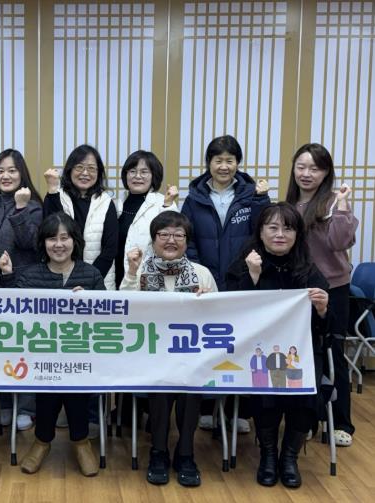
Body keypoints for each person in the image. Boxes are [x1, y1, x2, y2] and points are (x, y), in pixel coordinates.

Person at [226, 202, 330, 488]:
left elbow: (327, 328)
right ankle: (268, 455)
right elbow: (231, 314)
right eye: (272, 227)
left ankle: (290, 457)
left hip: (301, 353)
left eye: (288, 228)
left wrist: (322, 310)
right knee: (266, 386)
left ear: (297, 234)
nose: (280, 234)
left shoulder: (309, 269)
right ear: (260, 232)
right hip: (258, 351)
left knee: (305, 390)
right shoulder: (245, 264)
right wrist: (253, 277)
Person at [0, 212, 104, 477]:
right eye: (51, 239)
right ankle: (42, 441)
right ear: (43, 243)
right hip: (40, 355)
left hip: (81, 355)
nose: (58, 245)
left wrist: (90, 303)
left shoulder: (90, 274)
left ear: (74, 241)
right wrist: (7, 276)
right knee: (48, 384)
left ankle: (80, 442)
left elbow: (107, 317)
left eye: (64, 238)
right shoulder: (31, 275)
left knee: (76, 385)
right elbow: (11, 311)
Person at [120, 211, 217, 487]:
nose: (171, 240)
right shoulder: (139, 270)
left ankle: (185, 453)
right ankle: (159, 451)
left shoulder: (201, 273)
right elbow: (123, 310)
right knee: (162, 383)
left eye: (178, 235)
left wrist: (209, 302)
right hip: (149, 355)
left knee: (190, 384)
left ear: (187, 241)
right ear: (153, 240)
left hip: (192, 356)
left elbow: (220, 318)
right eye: (163, 234)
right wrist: (131, 273)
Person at [181, 134, 270, 431]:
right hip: (205, 282)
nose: (224, 166)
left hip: (242, 280)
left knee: (242, 344)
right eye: (218, 160)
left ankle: (239, 411)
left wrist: (262, 200)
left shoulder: (251, 194)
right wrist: (198, 272)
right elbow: (187, 239)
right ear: (208, 163)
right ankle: (207, 406)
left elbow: (261, 234)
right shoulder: (194, 197)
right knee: (209, 344)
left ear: (238, 163)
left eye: (230, 160)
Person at [286, 143, 359, 447]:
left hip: (333, 288)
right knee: (300, 354)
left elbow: (340, 241)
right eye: (301, 167)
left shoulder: (332, 202)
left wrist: (342, 205)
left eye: (315, 168)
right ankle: (306, 417)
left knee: (333, 353)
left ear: (326, 172)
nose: (307, 173)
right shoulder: (289, 204)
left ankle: (340, 423)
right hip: (297, 291)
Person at [0, 149, 42, 431]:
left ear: (22, 174)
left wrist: (20, 209)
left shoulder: (34, 205)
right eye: (0, 171)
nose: (5, 176)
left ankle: (26, 406)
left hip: (21, 289)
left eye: (12, 170)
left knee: (23, 348)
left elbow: (31, 243)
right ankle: (4, 403)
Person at [43, 144, 118, 290]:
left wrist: (89, 281)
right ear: (70, 170)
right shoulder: (56, 197)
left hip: (98, 282)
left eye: (91, 168)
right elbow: (49, 233)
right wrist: (52, 191)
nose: (85, 173)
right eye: (79, 167)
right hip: (60, 281)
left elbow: (110, 249)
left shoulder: (106, 202)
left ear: (99, 173)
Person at [116, 150, 179, 288]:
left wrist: (168, 205)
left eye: (144, 172)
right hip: (114, 275)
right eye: (132, 171)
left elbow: (172, 237)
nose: (137, 176)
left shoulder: (163, 202)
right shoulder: (116, 203)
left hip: (147, 278)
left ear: (153, 176)